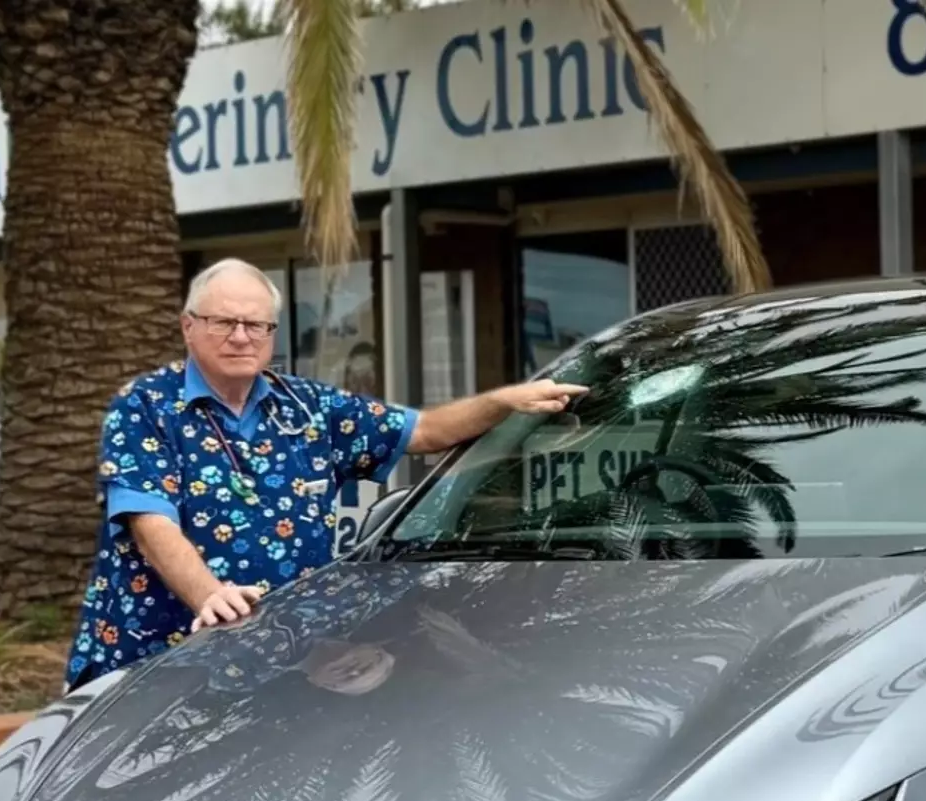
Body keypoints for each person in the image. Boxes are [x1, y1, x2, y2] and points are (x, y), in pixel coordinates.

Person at [64, 258, 585, 689]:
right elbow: (149, 522)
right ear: (189, 326)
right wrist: (211, 596)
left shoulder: (308, 407)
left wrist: (506, 401)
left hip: (287, 668)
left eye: (256, 325)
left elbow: (423, 431)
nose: (241, 337)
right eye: (224, 323)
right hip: (159, 665)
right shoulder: (146, 405)